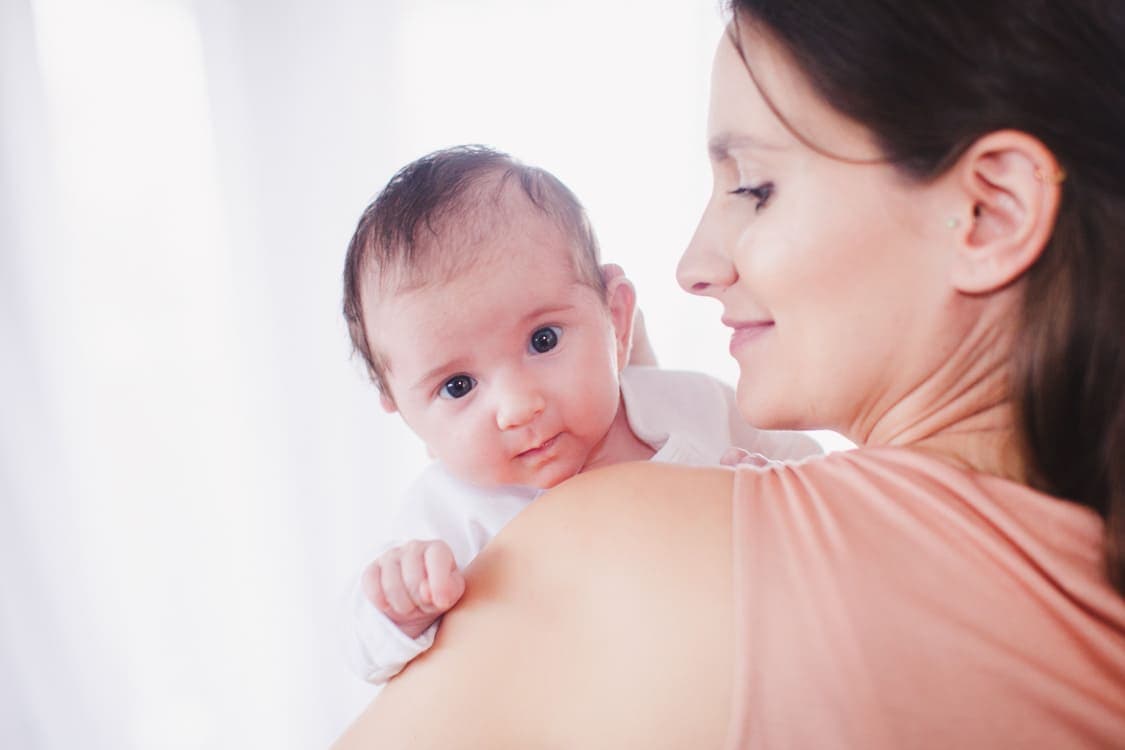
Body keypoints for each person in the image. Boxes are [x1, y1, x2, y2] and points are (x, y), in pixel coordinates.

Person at [332, 0, 1125, 746]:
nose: (692, 266)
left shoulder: (615, 544)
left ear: (989, 212)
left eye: (754, 188)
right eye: (457, 384)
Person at [340, 146, 820, 685]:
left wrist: (776, 491)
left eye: (543, 341)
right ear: (405, 413)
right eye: (458, 386)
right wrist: (400, 607)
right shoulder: (450, 513)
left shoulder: (696, 407)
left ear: (615, 319)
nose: (519, 406)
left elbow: (824, 483)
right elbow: (365, 649)